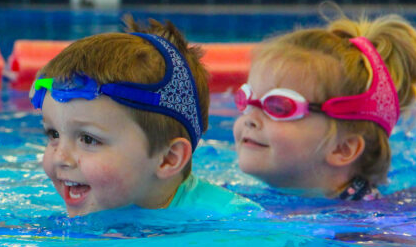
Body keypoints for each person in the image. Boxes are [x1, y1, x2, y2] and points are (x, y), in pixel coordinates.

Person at [30, 17, 256, 217]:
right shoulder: (94, 201)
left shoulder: (230, 223)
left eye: (88, 139)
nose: (60, 158)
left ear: (168, 158)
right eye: (54, 134)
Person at [233, 9, 416, 200]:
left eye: (278, 107)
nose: (250, 119)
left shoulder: (375, 220)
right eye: (246, 100)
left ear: (342, 148)